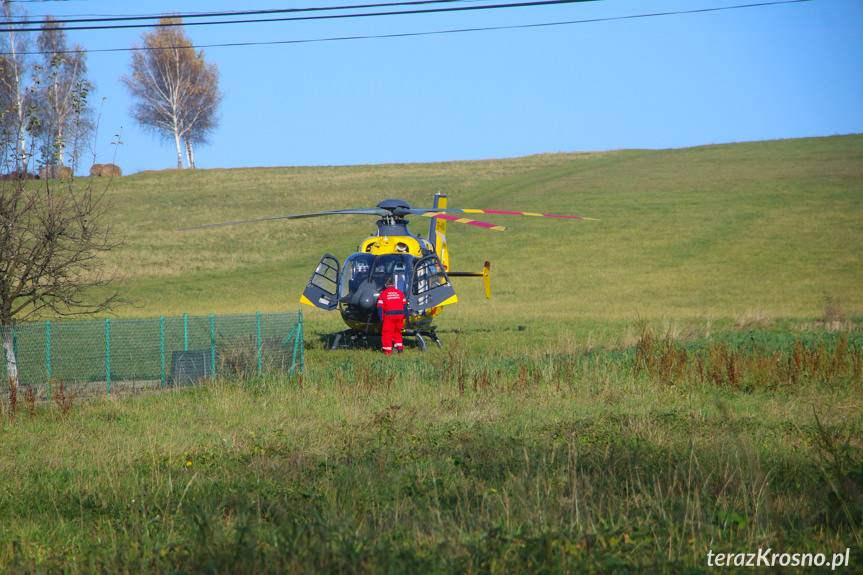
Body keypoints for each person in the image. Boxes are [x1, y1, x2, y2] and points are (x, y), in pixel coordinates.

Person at [376, 275, 407, 355]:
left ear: (385, 284)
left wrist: (381, 318)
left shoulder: (383, 294)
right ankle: (399, 348)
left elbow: (380, 307)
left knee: (387, 332)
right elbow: (404, 306)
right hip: (400, 315)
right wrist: (405, 316)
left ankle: (387, 351)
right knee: (398, 331)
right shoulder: (400, 293)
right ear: (394, 284)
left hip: (389, 315)